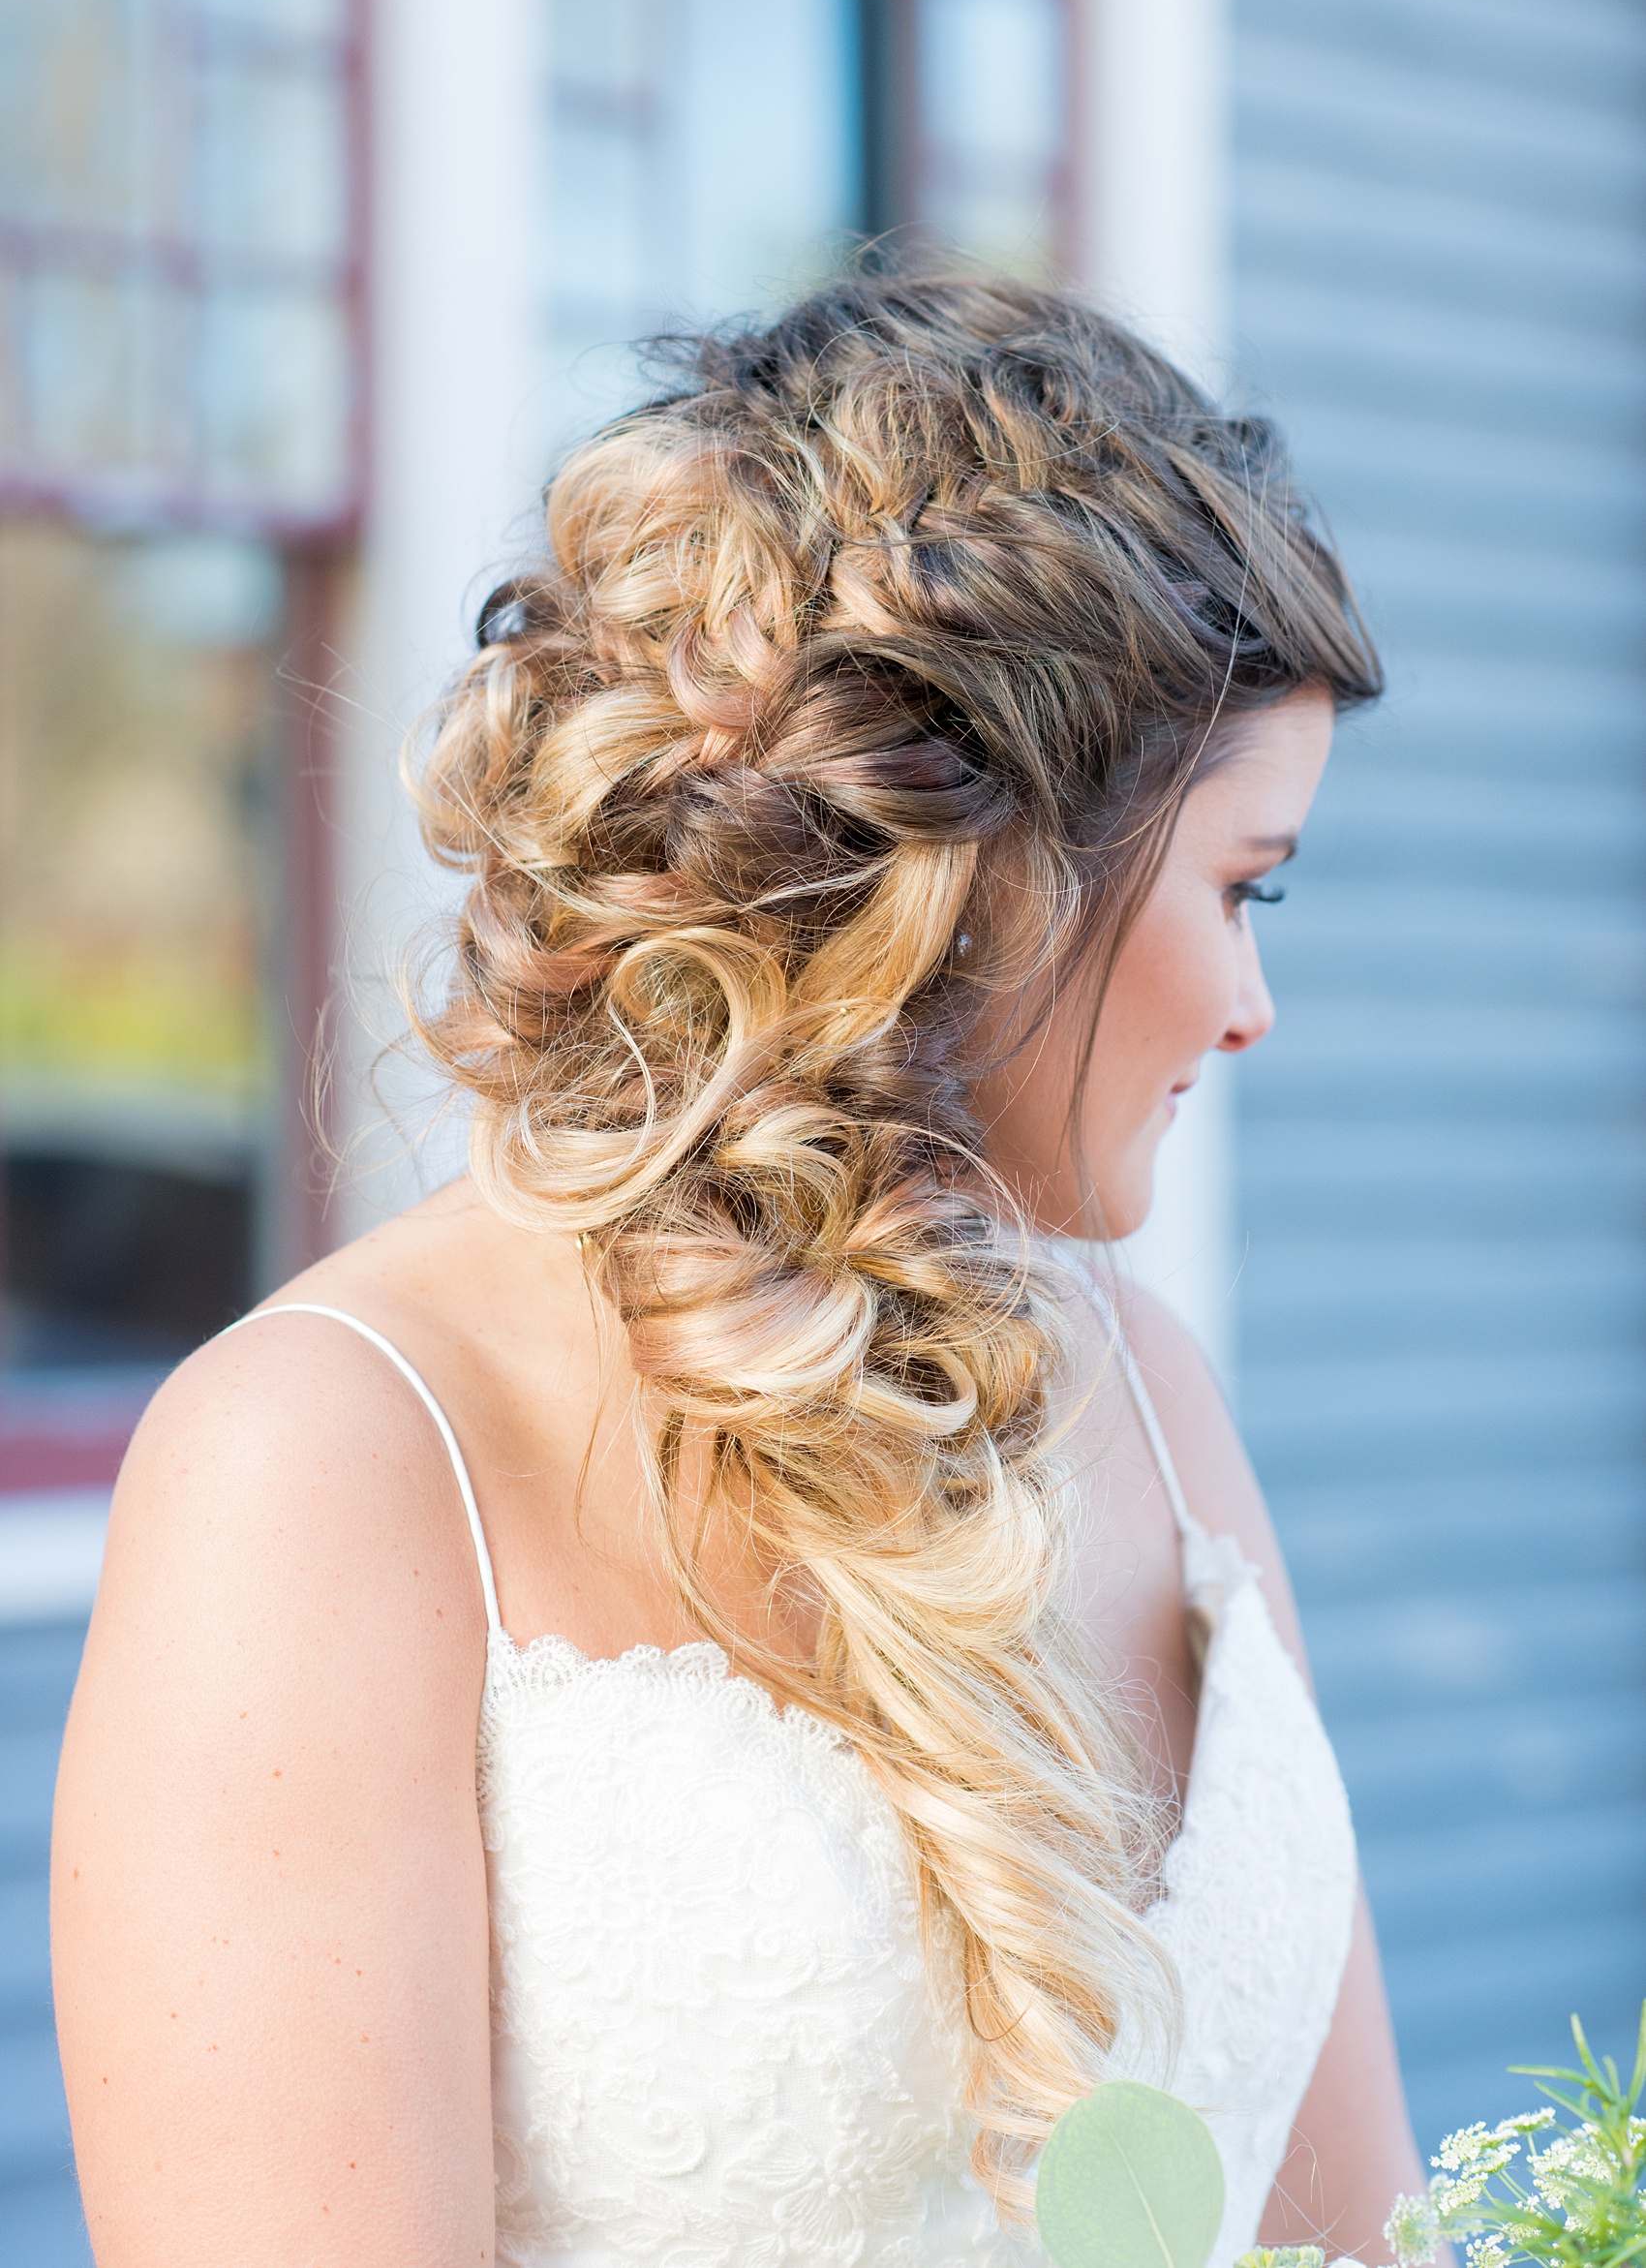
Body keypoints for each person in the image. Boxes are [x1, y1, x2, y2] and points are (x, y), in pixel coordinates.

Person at [53, 272, 1424, 2268]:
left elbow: (1356, 2226)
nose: (1252, 1004)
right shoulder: (331, 1460)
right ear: (997, 872)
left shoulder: (1148, 1383)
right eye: (1242, 885)